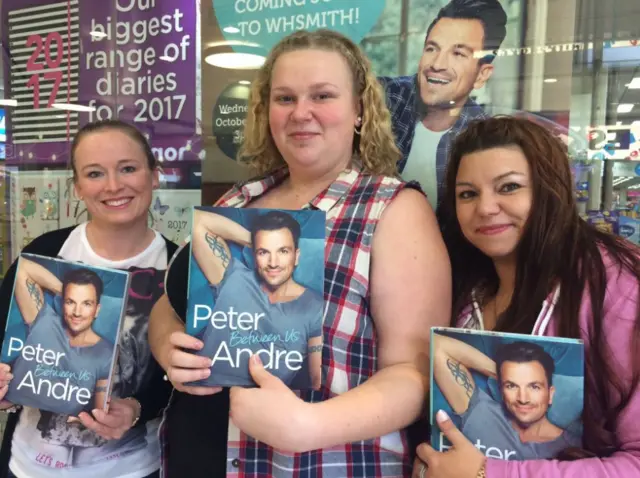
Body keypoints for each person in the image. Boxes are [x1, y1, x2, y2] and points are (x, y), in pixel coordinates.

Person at [149, 28, 452, 478]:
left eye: (322, 95)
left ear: (359, 111)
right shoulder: (239, 200)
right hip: (198, 454)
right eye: (285, 98)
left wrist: (308, 424)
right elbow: (168, 306)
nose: (301, 113)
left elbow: (413, 373)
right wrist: (167, 350)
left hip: (315, 463)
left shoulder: (393, 209)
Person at [413, 116, 640, 477]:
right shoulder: (466, 286)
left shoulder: (615, 287)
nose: (485, 208)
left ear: (550, 190)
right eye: (468, 194)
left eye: (508, 187)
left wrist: (490, 473)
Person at [0, 119, 178, 478]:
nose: (114, 186)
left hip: (132, 468)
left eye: (128, 168)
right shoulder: (45, 255)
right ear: (78, 187)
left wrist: (138, 408)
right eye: (94, 173)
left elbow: (183, 382)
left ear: (154, 175)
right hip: (27, 467)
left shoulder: (178, 270)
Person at [379, 0, 507, 208]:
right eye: (431, 48)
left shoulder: (483, 139)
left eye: (458, 54)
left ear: (482, 75)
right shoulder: (385, 97)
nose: (437, 64)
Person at [191, 209, 323, 389]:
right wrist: (254, 240)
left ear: (297, 255)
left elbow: (316, 381)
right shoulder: (235, 278)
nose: (273, 262)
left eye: (283, 251)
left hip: (263, 407)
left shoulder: (315, 306)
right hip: (198, 393)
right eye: (263, 252)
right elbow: (197, 220)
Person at [432, 335, 580, 461]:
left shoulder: (573, 448)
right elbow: (437, 344)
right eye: (512, 386)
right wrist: (502, 376)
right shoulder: (483, 413)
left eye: (534, 387)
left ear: (550, 394)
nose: (523, 398)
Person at [6, 261, 111, 417]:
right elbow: (22, 267)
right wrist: (65, 291)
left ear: (97, 310)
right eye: (70, 302)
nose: (77, 312)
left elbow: (100, 415)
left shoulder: (106, 354)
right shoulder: (45, 321)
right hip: (18, 421)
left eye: (86, 304)